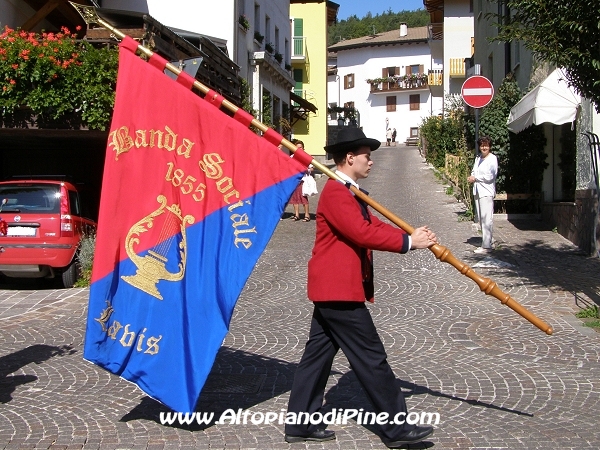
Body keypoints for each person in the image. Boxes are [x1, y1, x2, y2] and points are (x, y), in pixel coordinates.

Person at [284, 128, 438, 448]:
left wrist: (411, 235)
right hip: (338, 292)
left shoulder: (349, 190)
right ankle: (396, 429)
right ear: (350, 157)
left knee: (316, 358)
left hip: (332, 290)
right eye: (367, 155)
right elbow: (360, 233)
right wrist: (409, 243)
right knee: (371, 358)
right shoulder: (337, 192)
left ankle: (300, 423)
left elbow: (373, 225)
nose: (371, 161)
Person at [467, 136, 498, 254]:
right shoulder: (478, 158)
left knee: (487, 219)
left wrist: (476, 178)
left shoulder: (492, 159)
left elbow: (490, 176)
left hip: (486, 191)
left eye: (486, 145)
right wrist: (472, 176)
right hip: (478, 191)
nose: (484, 147)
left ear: (489, 146)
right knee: (481, 218)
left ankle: (486, 246)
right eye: (482, 145)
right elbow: (474, 171)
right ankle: (488, 241)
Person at [288, 140, 312, 222]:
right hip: (295, 180)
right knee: (295, 198)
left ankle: (307, 215)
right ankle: (296, 214)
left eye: (300, 147)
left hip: (303, 179)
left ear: (303, 148)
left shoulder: (307, 157)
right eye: (298, 147)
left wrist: (307, 169)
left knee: (303, 197)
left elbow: (312, 167)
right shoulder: (292, 157)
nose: (299, 149)